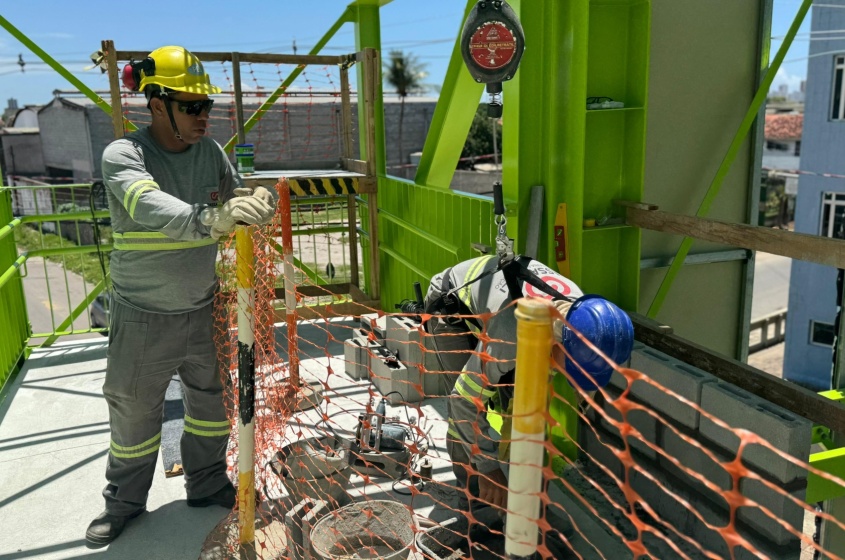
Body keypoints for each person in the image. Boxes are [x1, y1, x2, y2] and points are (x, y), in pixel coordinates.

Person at [85, 45, 278, 547]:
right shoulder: (124, 155)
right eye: (192, 106)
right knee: (134, 413)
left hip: (202, 307)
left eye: (206, 105)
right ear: (157, 106)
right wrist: (211, 218)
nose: (203, 116)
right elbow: (147, 204)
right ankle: (124, 504)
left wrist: (252, 198)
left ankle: (207, 484)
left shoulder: (210, 152)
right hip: (142, 313)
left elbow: (233, 194)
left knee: (211, 408)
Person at [424, 255, 634, 517]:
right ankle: (478, 505)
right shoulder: (512, 334)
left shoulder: (588, 321)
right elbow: (462, 402)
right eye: (571, 369)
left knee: (523, 409)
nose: (568, 376)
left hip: (508, 317)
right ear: (560, 343)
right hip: (451, 307)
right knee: (466, 414)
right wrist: (488, 469)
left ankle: (523, 507)